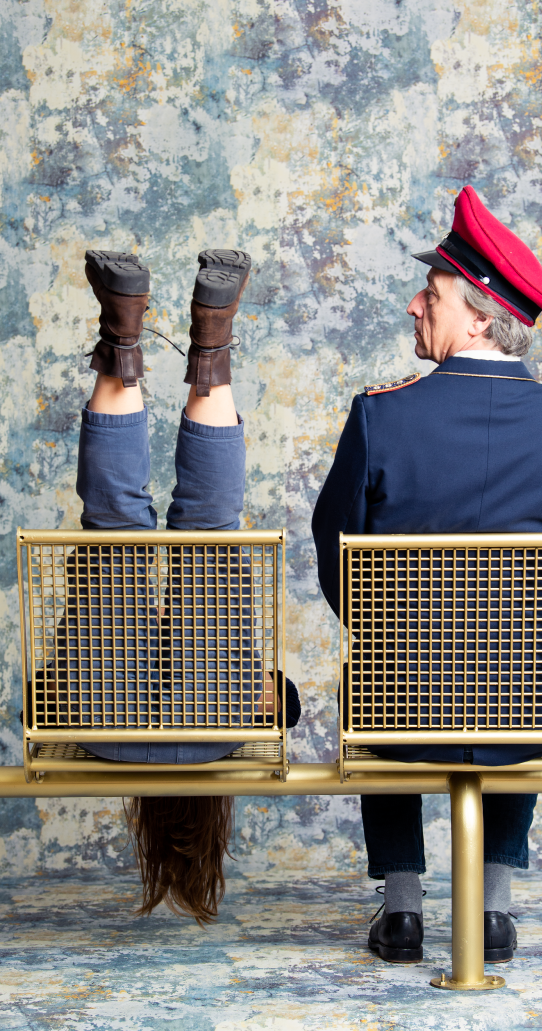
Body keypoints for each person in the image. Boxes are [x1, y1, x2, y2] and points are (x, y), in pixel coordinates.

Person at [312, 185, 542, 964]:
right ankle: (493, 910)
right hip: (527, 715)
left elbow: (331, 548)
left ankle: (404, 906)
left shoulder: (381, 416)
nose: (416, 304)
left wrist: (389, 627)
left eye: (434, 293)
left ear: (480, 315)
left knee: (377, 666)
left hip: (401, 711)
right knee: (529, 665)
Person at [74, 248, 300, 923]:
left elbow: (282, 700)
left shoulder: (229, 734)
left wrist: (257, 691)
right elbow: (41, 696)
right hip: (105, 709)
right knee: (113, 525)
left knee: (210, 526)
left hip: (216, 704)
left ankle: (213, 343)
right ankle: (121, 334)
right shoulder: (101, 742)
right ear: (147, 818)